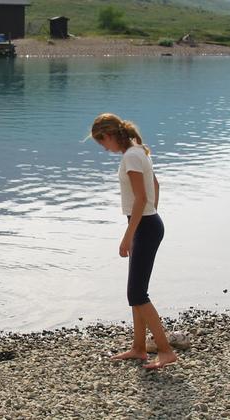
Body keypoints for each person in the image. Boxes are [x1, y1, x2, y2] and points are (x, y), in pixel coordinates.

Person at [90, 113, 177, 369]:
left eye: (102, 142)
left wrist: (128, 236)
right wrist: (152, 212)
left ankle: (166, 351)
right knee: (136, 291)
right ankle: (139, 348)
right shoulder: (139, 151)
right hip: (147, 223)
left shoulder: (131, 156)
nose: (104, 148)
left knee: (138, 293)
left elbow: (140, 198)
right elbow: (155, 185)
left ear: (109, 135)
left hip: (144, 227)